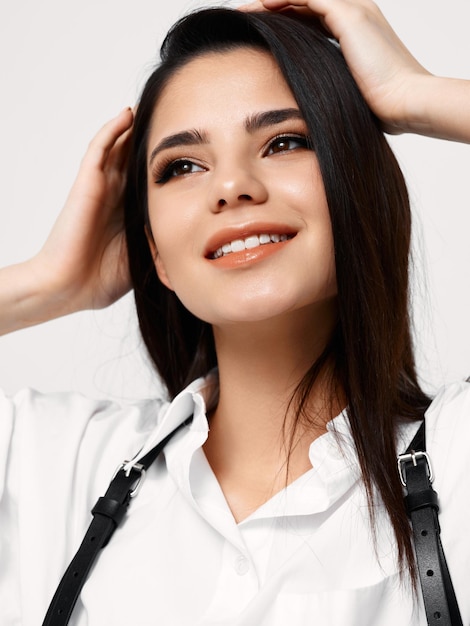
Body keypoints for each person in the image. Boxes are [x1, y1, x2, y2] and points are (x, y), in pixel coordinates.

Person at [1, 0, 469, 624]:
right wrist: (46, 284)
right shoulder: (49, 464)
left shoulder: (457, 463)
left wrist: (414, 94)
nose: (232, 186)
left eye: (284, 141)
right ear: (156, 254)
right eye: (183, 166)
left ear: (355, 187)